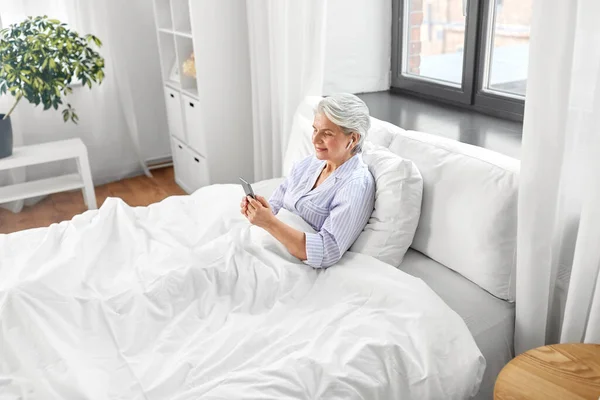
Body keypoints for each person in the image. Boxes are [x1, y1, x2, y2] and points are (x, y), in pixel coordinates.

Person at [240, 94, 375, 268]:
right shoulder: (309, 163)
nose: (315, 139)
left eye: (327, 133)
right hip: (260, 243)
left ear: (353, 138)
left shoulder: (356, 185)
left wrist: (269, 222)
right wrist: (259, 212)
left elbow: (327, 252)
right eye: (315, 129)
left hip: (287, 264)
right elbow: (276, 205)